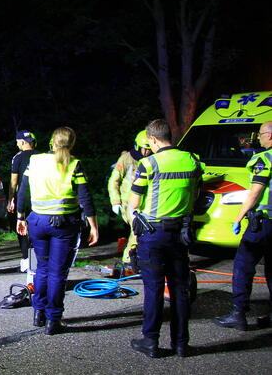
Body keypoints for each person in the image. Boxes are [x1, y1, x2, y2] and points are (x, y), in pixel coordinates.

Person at [128, 119, 203, 358]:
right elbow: (197, 191)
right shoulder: (192, 159)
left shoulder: (148, 163)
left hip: (153, 233)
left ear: (152, 139)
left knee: (154, 289)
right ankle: (181, 343)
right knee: (180, 289)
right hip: (181, 232)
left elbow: (135, 201)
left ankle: (150, 341)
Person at [16, 127, 99, 335]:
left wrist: (20, 216)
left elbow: (23, 191)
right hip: (64, 224)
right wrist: (94, 226)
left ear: (52, 142)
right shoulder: (74, 164)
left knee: (42, 268)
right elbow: (85, 198)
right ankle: (53, 320)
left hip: (37, 222)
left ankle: (39, 312)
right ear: (71, 143)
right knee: (57, 273)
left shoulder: (34, 161)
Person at [214, 120, 272, 330]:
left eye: (260, 134)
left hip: (263, 222)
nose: (258, 137)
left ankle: (238, 314)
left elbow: (255, 191)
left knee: (243, 266)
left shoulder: (264, 159)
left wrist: (239, 218)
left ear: (270, 135)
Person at [108, 130, 152, 269]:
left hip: (146, 202)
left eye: (149, 149)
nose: (147, 152)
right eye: (144, 149)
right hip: (129, 203)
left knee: (144, 232)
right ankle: (128, 260)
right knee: (137, 230)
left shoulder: (152, 161)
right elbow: (113, 181)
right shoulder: (126, 159)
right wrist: (116, 202)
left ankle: (140, 259)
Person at [7, 130, 40, 284]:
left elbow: (14, 181)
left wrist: (10, 199)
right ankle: (38, 258)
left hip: (23, 196)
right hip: (39, 196)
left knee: (22, 227)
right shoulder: (41, 156)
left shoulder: (17, 158)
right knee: (36, 227)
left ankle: (26, 260)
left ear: (20, 142)